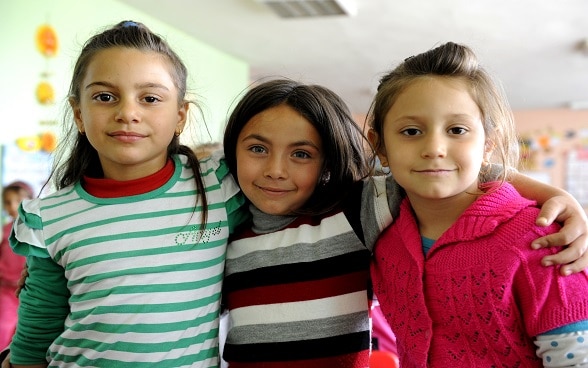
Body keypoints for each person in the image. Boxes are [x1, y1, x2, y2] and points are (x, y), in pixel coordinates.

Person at [220, 78, 588, 367]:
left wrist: (555, 196)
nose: (275, 171)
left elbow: (451, 172)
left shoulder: (355, 210)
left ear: (328, 162)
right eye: (257, 149)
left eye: (301, 154)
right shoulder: (224, 231)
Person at [7, 20, 247, 368]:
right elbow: (35, 337)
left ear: (180, 116)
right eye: (105, 97)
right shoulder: (49, 217)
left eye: (150, 98)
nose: (127, 114)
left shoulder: (218, 189)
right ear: (78, 114)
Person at [369, 41, 588, 367]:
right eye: (411, 131)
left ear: (489, 145)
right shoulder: (380, 233)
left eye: (457, 129)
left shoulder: (540, 238)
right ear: (380, 146)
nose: (434, 148)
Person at [0, 181, 33, 351]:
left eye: (17, 200)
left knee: (22, 333)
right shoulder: (5, 230)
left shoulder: (37, 230)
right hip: (6, 289)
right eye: (7, 202)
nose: (12, 206)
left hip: (30, 290)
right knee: (3, 327)